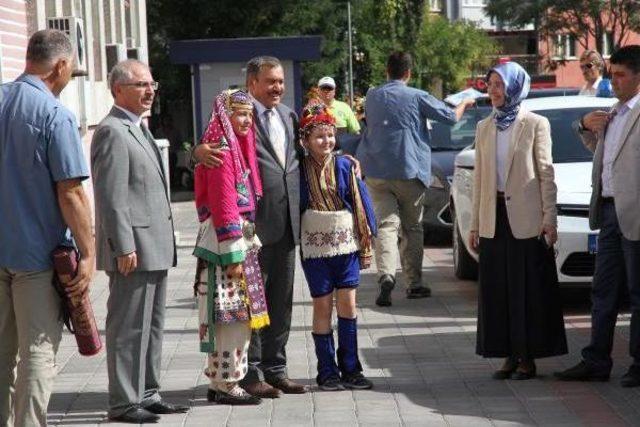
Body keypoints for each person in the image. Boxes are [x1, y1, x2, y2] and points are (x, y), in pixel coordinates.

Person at [194, 56, 308, 398]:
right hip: (251, 229)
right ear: (252, 83)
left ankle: (277, 369)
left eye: (281, 81)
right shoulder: (237, 114)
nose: (278, 87)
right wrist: (197, 153)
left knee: (281, 301)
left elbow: (297, 161)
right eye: (270, 81)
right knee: (251, 303)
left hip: (286, 222)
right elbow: (207, 152)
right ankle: (251, 373)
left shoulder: (289, 115)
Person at [0, 29, 95, 427]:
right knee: (38, 351)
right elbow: (70, 192)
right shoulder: (54, 114)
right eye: (71, 69)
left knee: (2, 355)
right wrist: (89, 255)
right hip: (37, 258)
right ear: (60, 65)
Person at [91, 59, 189, 423]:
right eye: (141, 85)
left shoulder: (139, 128)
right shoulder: (112, 131)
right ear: (118, 89)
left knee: (153, 324)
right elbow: (111, 197)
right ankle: (123, 401)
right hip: (133, 250)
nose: (150, 91)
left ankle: (147, 392)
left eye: (153, 84)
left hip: (155, 246)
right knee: (129, 327)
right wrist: (123, 245)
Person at [469, 61, 567, 380]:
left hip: (527, 218)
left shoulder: (535, 123)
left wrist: (550, 218)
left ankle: (527, 356)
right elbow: (481, 177)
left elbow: (545, 174)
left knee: (528, 289)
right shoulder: (485, 127)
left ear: (514, 87)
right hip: (493, 218)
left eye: (499, 85)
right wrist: (474, 225)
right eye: (490, 84)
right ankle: (507, 354)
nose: (494, 91)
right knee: (498, 289)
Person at [356, 51, 475, 307]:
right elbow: (451, 118)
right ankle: (414, 284)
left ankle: (386, 275)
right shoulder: (417, 96)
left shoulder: (372, 95)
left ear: (387, 71)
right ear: (408, 73)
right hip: (409, 169)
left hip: (376, 170)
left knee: (386, 226)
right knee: (412, 228)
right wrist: (465, 102)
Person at [555, 45, 640, 388]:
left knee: (637, 293)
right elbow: (604, 156)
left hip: (633, 213)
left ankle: (638, 363)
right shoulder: (614, 112)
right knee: (602, 290)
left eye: (621, 75)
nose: (614, 81)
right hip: (606, 210)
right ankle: (596, 360)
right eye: (612, 74)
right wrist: (582, 124)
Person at [192, 90, 269, 405]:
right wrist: (234, 254)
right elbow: (224, 205)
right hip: (229, 245)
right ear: (223, 114)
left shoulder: (231, 148)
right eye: (240, 114)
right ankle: (227, 384)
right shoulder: (222, 151)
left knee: (231, 316)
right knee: (231, 318)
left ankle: (219, 382)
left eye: (249, 115)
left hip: (236, 241)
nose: (246, 120)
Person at [298, 104, 377, 391]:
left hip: (346, 247)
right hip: (316, 249)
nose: (326, 141)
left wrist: (368, 237)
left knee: (348, 304)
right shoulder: (298, 169)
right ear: (305, 140)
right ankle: (326, 371)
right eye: (319, 136)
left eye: (330, 135)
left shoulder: (345, 165)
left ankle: (352, 368)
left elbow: (360, 201)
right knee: (321, 306)